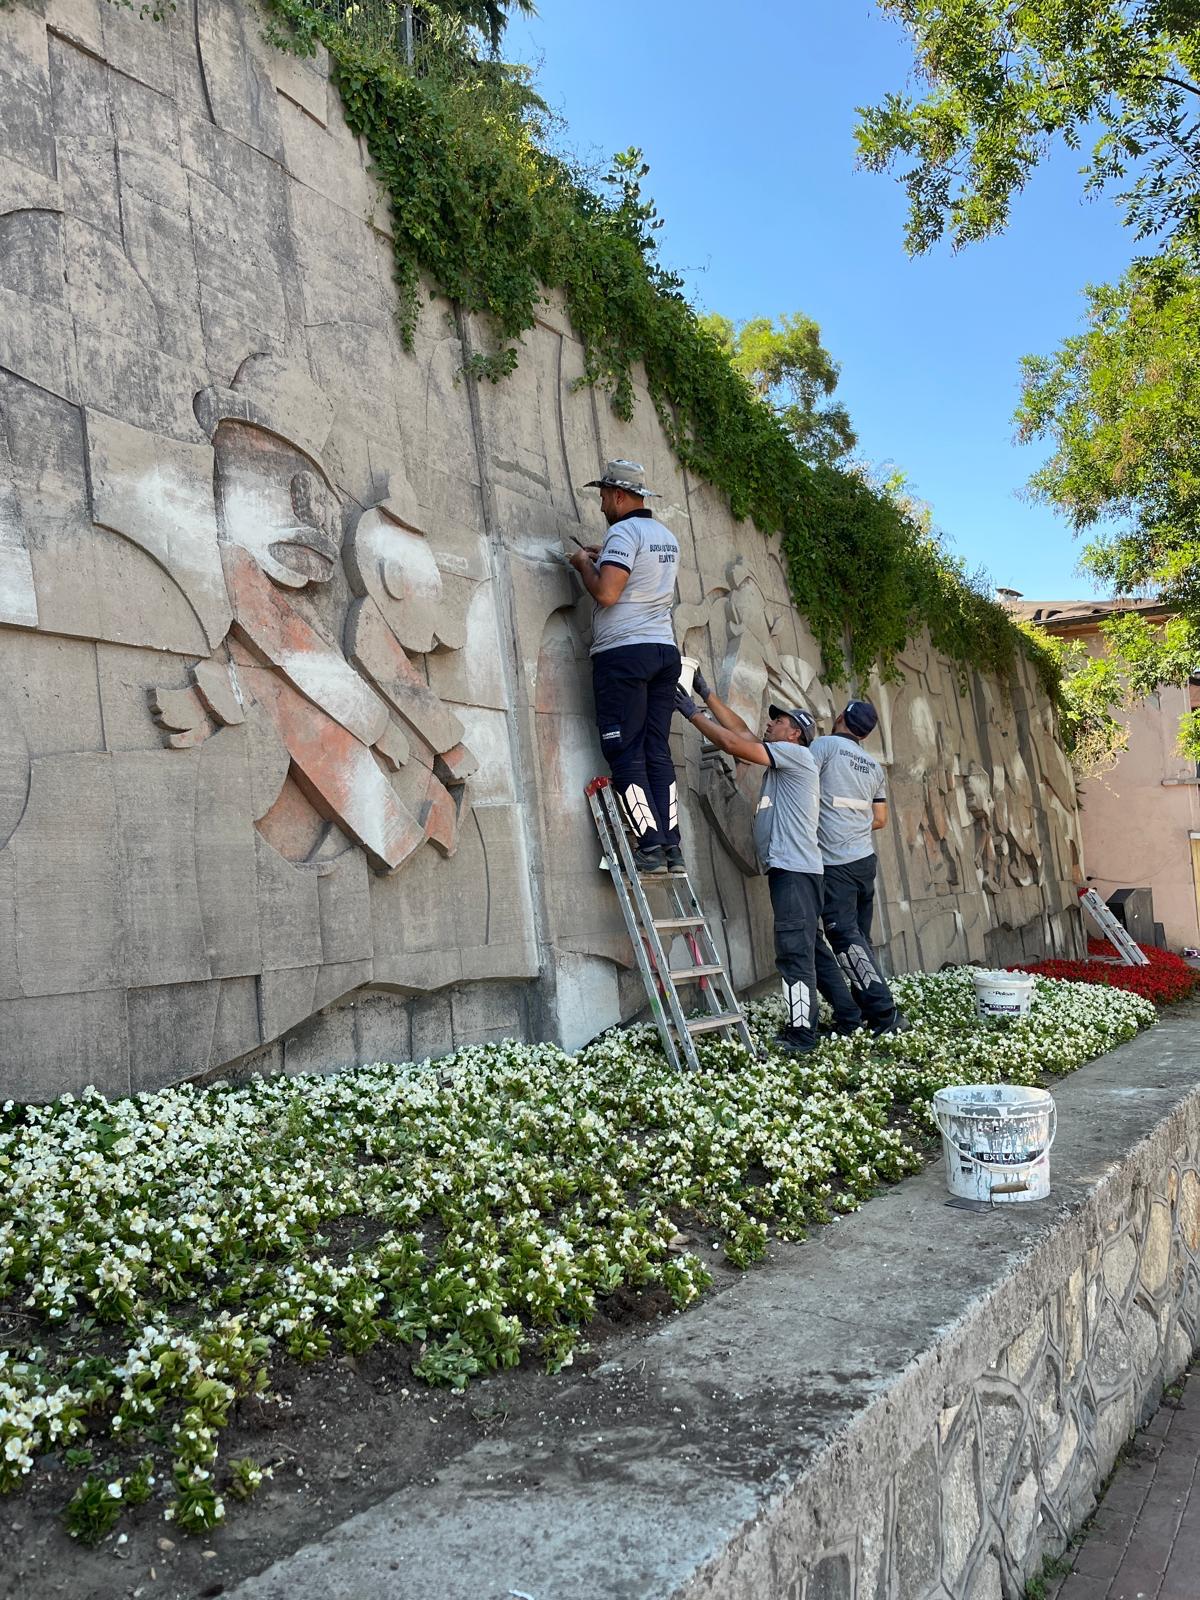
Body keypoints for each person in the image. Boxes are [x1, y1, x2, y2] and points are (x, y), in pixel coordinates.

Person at [674, 671, 822, 1054]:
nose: (769, 724)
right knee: (808, 949)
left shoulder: (795, 756)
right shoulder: (786, 758)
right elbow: (739, 731)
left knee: (794, 952)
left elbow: (732, 743)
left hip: (794, 873)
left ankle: (802, 1035)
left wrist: (691, 712)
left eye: (779, 721)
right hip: (794, 872)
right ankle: (839, 1017)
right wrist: (706, 693)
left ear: (795, 734)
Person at [570, 460, 682, 873]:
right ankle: (671, 846)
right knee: (656, 750)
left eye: (603, 497)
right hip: (663, 650)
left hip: (624, 653)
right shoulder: (666, 537)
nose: (601, 506)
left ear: (618, 495)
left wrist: (584, 564)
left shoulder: (622, 532)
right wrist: (607, 558)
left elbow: (607, 593)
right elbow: (639, 580)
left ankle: (649, 846)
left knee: (624, 749)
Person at [809, 699, 905, 1035]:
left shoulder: (824, 747)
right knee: (859, 939)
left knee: (845, 938)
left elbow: (799, 781)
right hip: (864, 860)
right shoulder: (874, 767)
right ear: (865, 734)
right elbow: (880, 819)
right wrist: (853, 825)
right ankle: (866, 1008)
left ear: (839, 718)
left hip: (837, 863)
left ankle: (885, 1013)